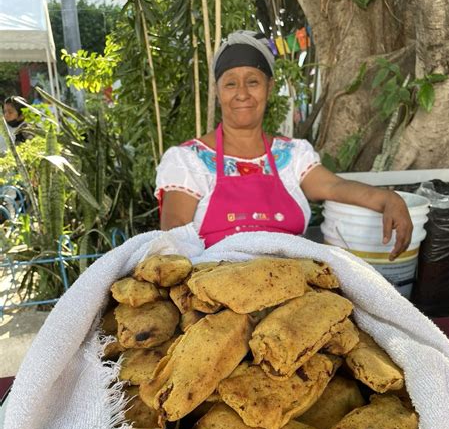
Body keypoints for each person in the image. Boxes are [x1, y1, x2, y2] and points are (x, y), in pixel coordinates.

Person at [157, 31, 413, 259]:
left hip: (292, 288)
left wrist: (388, 199)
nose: (242, 93)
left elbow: (335, 186)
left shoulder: (291, 155)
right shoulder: (188, 159)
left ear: (269, 87)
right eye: (231, 83)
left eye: (253, 81)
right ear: (218, 91)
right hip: (216, 295)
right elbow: (175, 235)